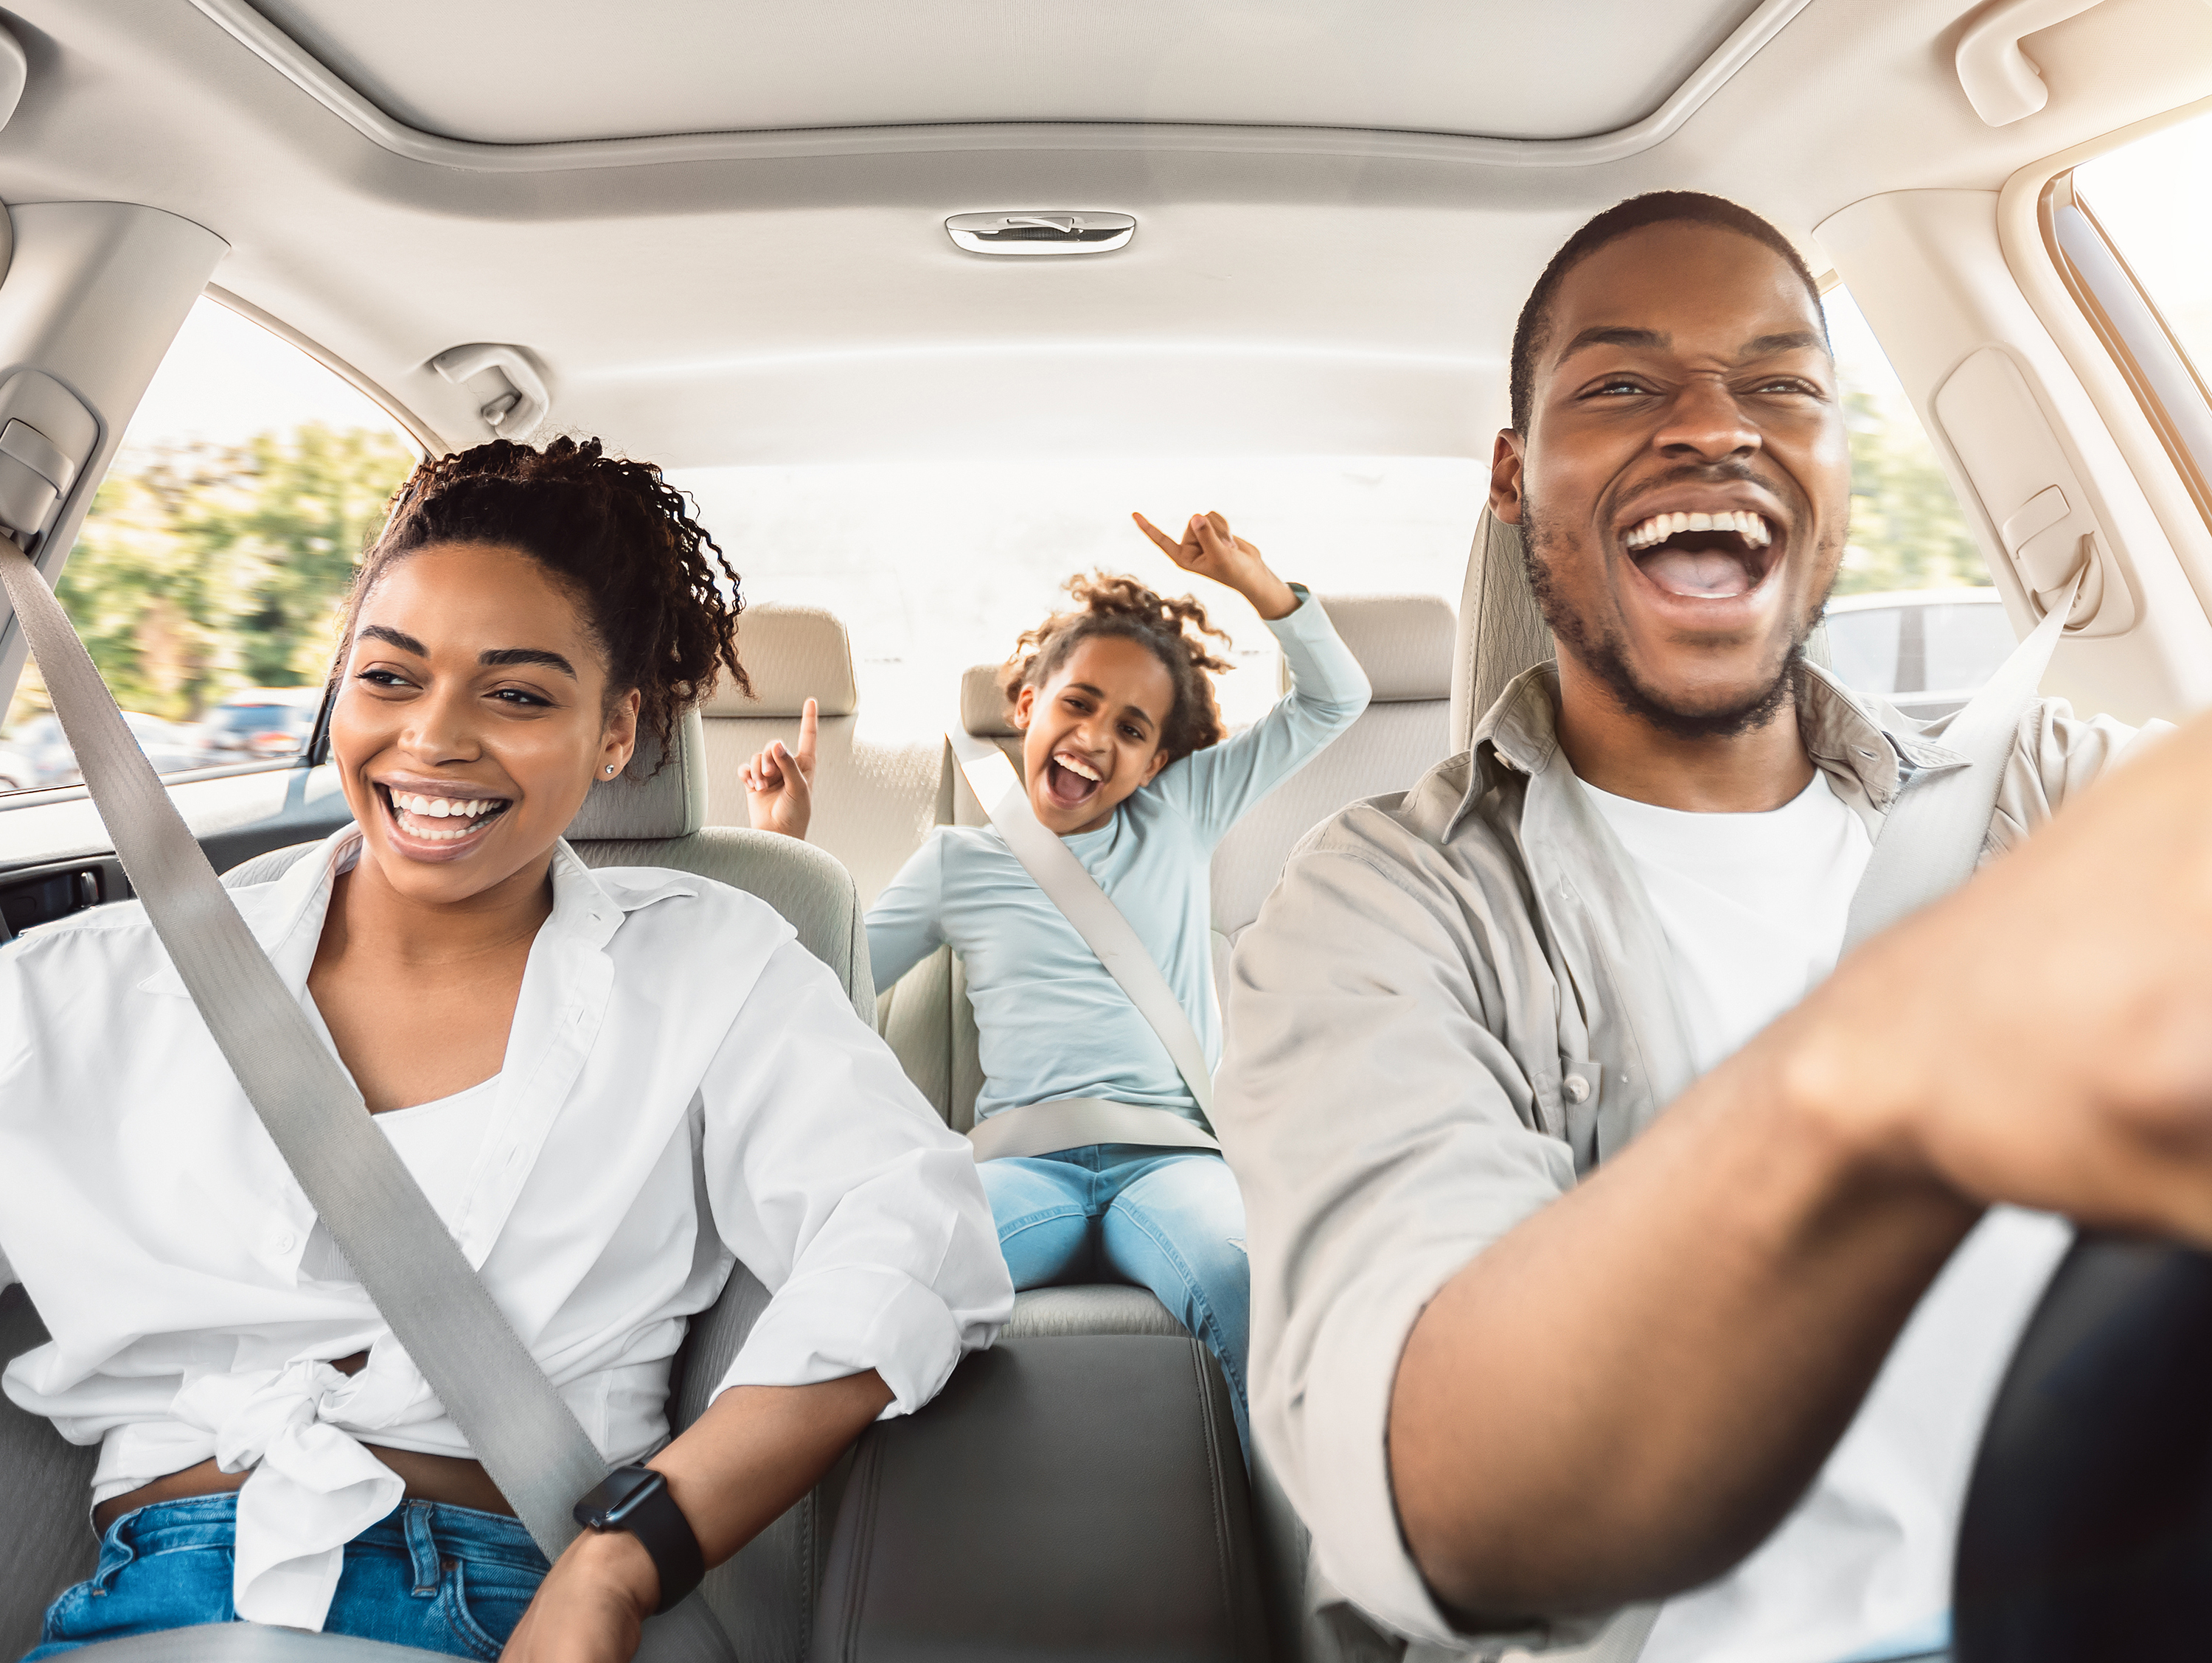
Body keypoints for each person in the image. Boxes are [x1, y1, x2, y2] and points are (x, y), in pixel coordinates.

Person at [1216, 191, 2205, 1663]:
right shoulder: (1379, 906)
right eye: (1621, 384)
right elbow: (1440, 1491)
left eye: (1783, 386)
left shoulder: (2051, 791)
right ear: (1514, 474)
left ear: (1835, 465)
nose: (1715, 427)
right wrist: (1877, 1083)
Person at [0, 438, 1013, 1661]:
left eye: (519, 694)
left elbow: (916, 1229)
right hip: (137, 1608)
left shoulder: (710, 965)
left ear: (616, 731)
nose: (434, 740)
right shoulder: (99, 983)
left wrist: (623, 1559)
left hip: (498, 1603)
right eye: (388, 678)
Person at [742, 512, 1369, 1451]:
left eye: (1131, 729)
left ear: (1159, 761)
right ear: (1028, 702)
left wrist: (1256, 584)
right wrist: (779, 849)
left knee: (1250, 1279)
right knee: (888, 1275)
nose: (1094, 739)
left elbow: (1334, 700)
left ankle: (1321, 1562)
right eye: (1077, 704)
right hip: (1018, 1169)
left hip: (1174, 1163)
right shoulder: (959, 858)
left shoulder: (1182, 815)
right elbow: (833, 994)